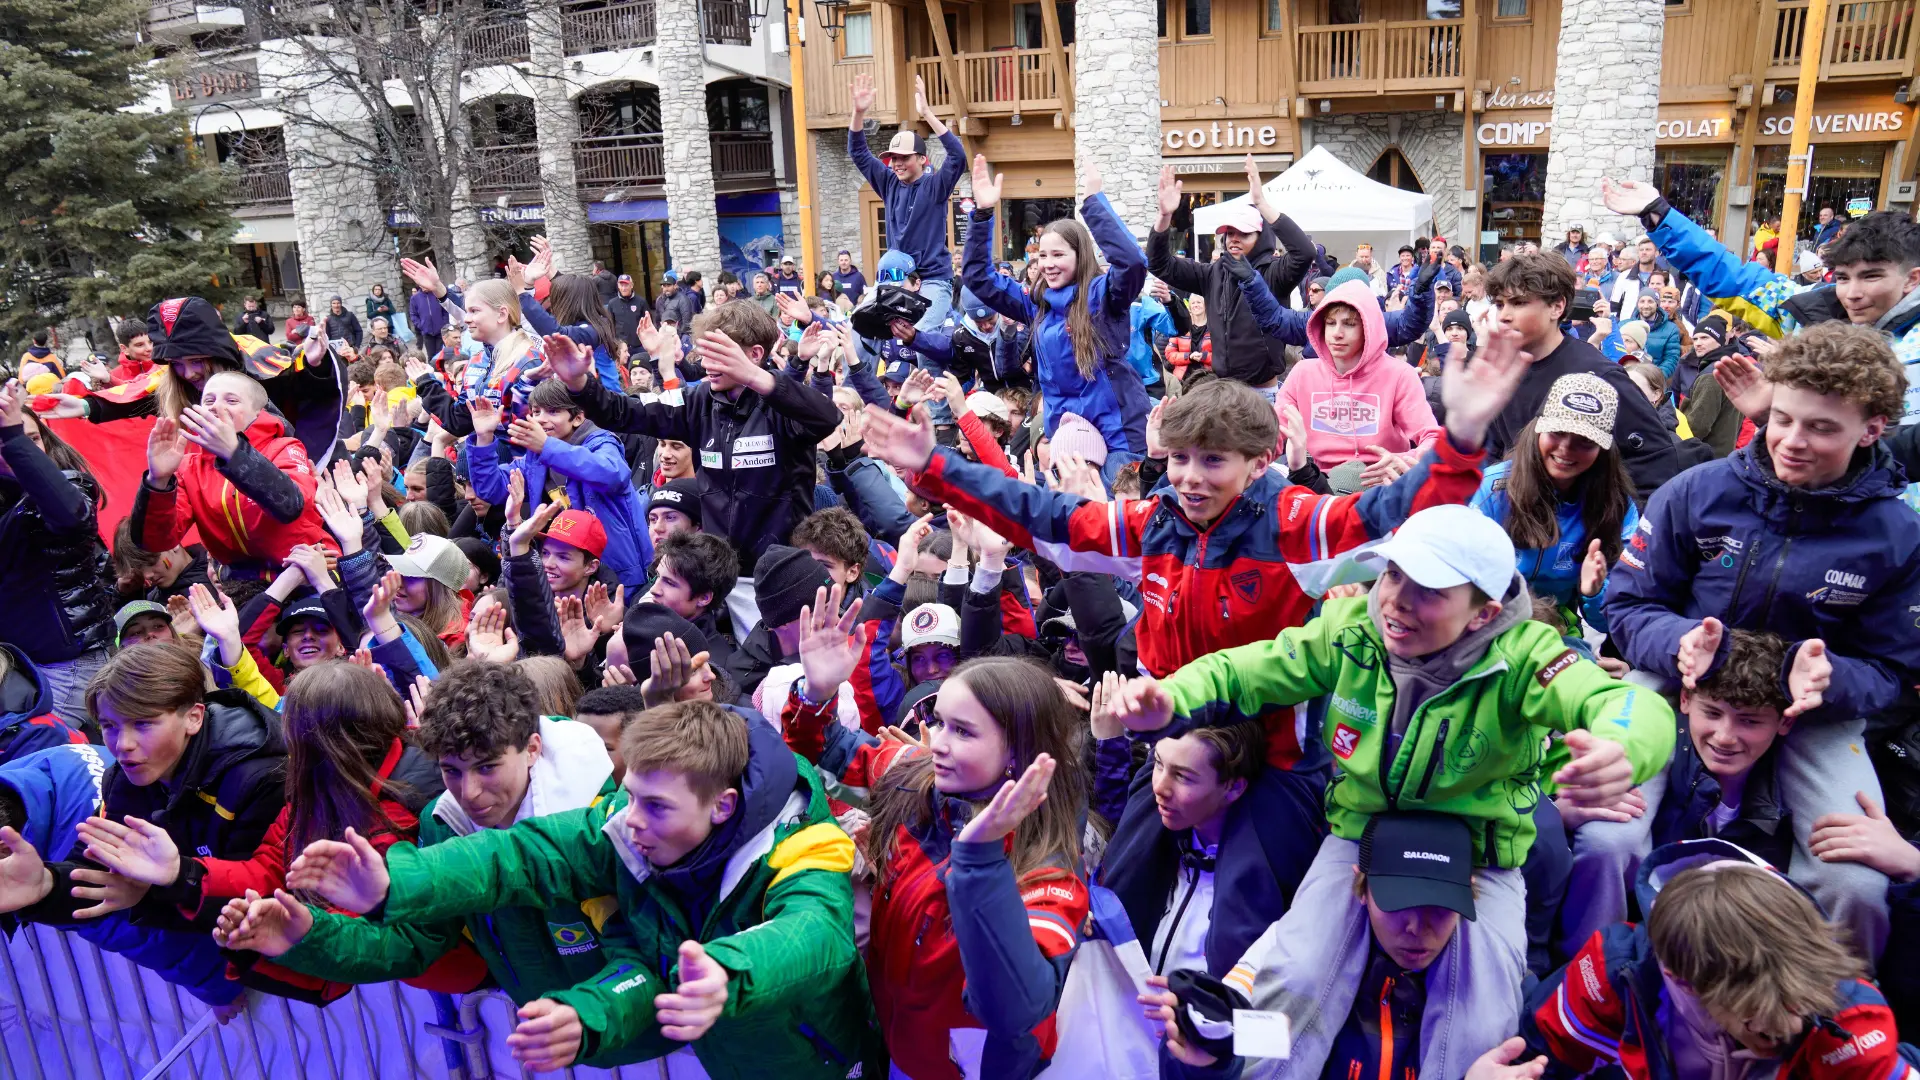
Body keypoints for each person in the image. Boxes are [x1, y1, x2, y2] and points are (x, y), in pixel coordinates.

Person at [1110, 503, 1675, 1077]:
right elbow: (1245, 669)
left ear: (1484, 612)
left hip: (1479, 855)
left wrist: (1622, 746)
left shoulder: (1525, 657)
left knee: (1479, 1021)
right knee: (1297, 976)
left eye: (1428, 588)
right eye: (1392, 573)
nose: (1396, 599)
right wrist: (1172, 694)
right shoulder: (1350, 630)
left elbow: (1622, 703)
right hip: (1359, 837)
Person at [279, 680, 877, 1077]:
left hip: (818, 1060)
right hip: (717, 1055)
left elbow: (814, 933)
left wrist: (729, 972)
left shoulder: (805, 844)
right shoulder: (624, 821)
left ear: (721, 807)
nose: (631, 823)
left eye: (657, 808)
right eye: (631, 797)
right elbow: (519, 855)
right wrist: (393, 884)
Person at [859, 337, 1526, 687]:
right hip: (1165, 736)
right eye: (1178, 459)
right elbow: (1043, 514)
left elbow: (1390, 513)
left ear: (1259, 462)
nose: (1188, 478)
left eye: (1212, 462)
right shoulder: (1155, 522)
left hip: (1268, 758)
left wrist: (1460, 442)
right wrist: (934, 467)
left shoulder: (1295, 523)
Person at [1601, 320, 1920, 965]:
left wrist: (1831, 679)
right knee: (1606, 837)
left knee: (1853, 882)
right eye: (1782, 419)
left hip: (1814, 712)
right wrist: (1680, 643)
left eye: (1823, 428)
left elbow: (1894, 672)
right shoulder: (1697, 490)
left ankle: (1831, 1022)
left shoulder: (1898, 534)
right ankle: (1585, 982)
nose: (1793, 443)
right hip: (1679, 681)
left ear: (1874, 428)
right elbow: (1627, 605)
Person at [73, 661, 483, 1002]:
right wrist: (184, 873)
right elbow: (271, 866)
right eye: (109, 726)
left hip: (473, 971)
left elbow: (377, 936)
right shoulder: (320, 787)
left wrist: (294, 933)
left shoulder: (408, 807)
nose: (121, 744)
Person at [781, 635, 1089, 1080]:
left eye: (963, 731)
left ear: (1019, 752)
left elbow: (1017, 1011)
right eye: (940, 722)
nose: (939, 743)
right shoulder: (919, 777)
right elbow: (827, 746)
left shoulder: (1046, 870)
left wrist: (981, 865)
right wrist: (816, 694)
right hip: (890, 1039)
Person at [543, 298, 840, 635]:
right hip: (714, 577)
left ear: (755, 354)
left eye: (718, 353)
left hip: (778, 577)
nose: (705, 363)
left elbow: (828, 417)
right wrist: (579, 384)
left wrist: (759, 378)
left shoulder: (782, 404)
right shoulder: (699, 400)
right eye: (703, 352)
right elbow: (626, 412)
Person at [1524, 842, 1920, 1080]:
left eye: (1799, 997)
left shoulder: (1852, 1024)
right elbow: (1541, 1062)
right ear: (1681, 979)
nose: (1792, 1025)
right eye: (1756, 1014)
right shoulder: (1615, 970)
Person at [0, 641, 286, 933]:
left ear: (193, 717)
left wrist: (155, 890)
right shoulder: (124, 778)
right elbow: (98, 875)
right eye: (109, 726)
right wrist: (44, 885)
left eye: (143, 724)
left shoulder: (262, 778)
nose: (122, 745)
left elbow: (260, 904)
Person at [1603, 177, 1920, 422]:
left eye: (1871, 277)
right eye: (1842, 277)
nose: (1852, 293)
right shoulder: (1809, 310)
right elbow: (1730, 276)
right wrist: (1660, 215)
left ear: (1912, 278)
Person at [962, 154, 1151, 473]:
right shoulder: (1036, 302)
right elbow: (978, 278)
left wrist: (1093, 203)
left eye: (1058, 254)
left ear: (1080, 256)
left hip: (1119, 435)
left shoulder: (1103, 295)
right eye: (1043, 254)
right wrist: (982, 215)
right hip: (1066, 435)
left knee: (1115, 518)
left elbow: (1133, 262)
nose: (1048, 263)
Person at [1477, 253, 1680, 501]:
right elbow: (1492, 452)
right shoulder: (1503, 372)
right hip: (1523, 522)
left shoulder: (1600, 374)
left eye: (1518, 303)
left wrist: (1609, 528)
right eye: (1499, 304)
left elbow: (1654, 466)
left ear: (1557, 307)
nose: (1505, 315)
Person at [1470, 373, 1639, 635]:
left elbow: (1613, 621)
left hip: (1560, 629)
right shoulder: (1492, 491)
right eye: (1557, 432)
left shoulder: (1616, 507)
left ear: (1604, 449)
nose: (1566, 449)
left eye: (1585, 441)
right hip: (1488, 622)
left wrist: (1594, 592)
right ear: (1538, 429)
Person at [0, 380, 116, 726]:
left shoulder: (70, 487)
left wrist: (14, 439)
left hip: (69, 666)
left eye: (32, 437)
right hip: (20, 666)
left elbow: (69, 516)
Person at [1148, 157, 1316, 394]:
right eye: (1228, 233)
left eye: (1243, 233)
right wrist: (1164, 217)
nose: (1233, 238)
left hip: (1262, 393)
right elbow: (1159, 263)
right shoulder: (1212, 273)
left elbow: (1305, 252)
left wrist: (1261, 204)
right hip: (1224, 391)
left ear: (1260, 238)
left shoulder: (1275, 272)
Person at [134, 369, 330, 570]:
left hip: (306, 572)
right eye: (208, 401)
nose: (217, 407)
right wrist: (158, 481)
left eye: (232, 401)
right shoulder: (188, 467)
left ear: (258, 413)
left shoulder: (284, 447)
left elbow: (290, 505)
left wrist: (234, 453)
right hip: (240, 584)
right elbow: (156, 542)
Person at [469, 378, 651, 588]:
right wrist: (484, 438)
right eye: (536, 412)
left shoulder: (601, 442)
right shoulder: (536, 456)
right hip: (562, 570)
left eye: (553, 412)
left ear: (577, 418)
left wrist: (547, 447)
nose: (542, 419)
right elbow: (492, 489)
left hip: (616, 573)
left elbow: (612, 474)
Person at [1276, 278, 1446, 478]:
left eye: (1349, 324)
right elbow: (1272, 434)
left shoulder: (1399, 375)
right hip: (1315, 482)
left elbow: (1433, 438)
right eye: (1330, 323)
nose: (1337, 333)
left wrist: (1405, 460)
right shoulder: (1302, 373)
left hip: (1380, 484)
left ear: (1367, 328)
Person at [849, 73, 967, 332]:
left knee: (920, 337)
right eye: (893, 158)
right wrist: (858, 113)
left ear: (923, 159)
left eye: (904, 157)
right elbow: (858, 152)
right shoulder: (889, 182)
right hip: (896, 279)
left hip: (933, 279)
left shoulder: (935, 185)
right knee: (858, 332)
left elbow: (958, 156)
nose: (897, 163)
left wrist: (926, 113)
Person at [398, 258, 547, 437]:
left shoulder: (529, 362)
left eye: (474, 311)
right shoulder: (478, 360)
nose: (466, 319)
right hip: (484, 460)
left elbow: (535, 436)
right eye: (467, 311)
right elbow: (459, 422)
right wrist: (426, 382)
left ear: (501, 314)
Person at [607, 274, 646, 357]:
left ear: (631, 285)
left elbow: (648, 323)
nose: (624, 288)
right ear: (618, 286)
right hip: (622, 348)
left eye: (626, 285)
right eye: (621, 285)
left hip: (639, 346)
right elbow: (610, 325)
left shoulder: (641, 302)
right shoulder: (612, 303)